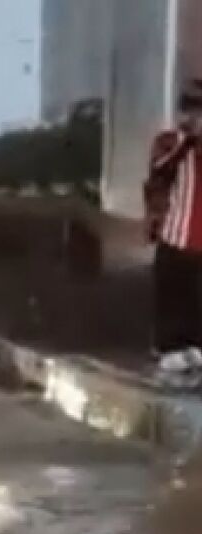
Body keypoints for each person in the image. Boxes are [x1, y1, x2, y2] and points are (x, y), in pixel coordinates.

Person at [145, 80, 202, 375]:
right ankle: (167, 356)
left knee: (195, 309)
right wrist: (187, 140)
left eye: (198, 110)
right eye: (188, 110)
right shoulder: (169, 142)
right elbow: (159, 169)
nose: (192, 117)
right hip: (174, 239)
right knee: (170, 304)